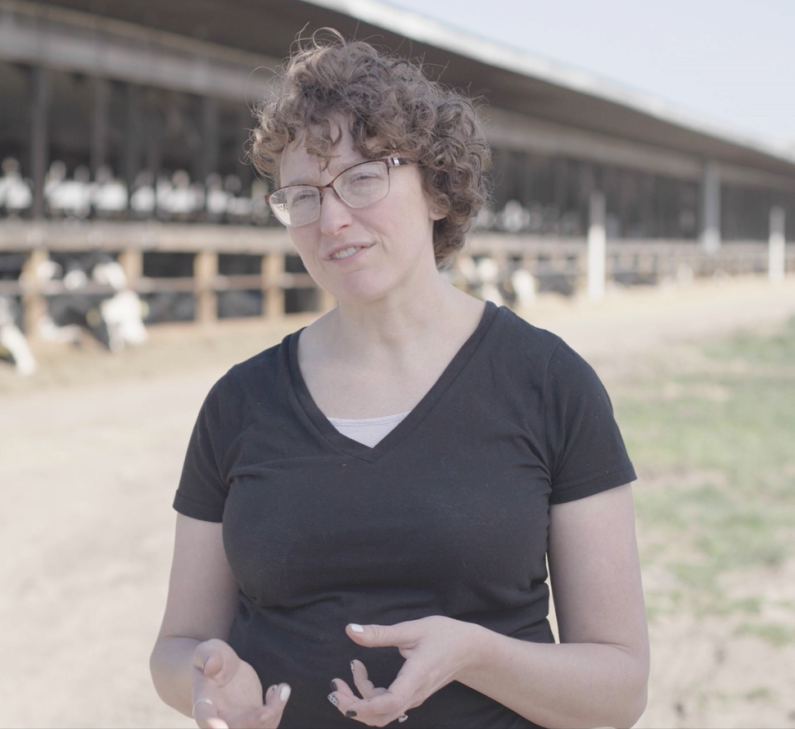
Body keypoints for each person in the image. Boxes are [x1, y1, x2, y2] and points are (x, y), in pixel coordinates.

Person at [150, 30, 649, 729]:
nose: (331, 218)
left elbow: (620, 689)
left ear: (438, 189)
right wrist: (201, 679)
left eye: (362, 177)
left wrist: (475, 654)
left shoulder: (550, 384)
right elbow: (176, 646)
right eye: (301, 195)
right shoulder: (239, 403)